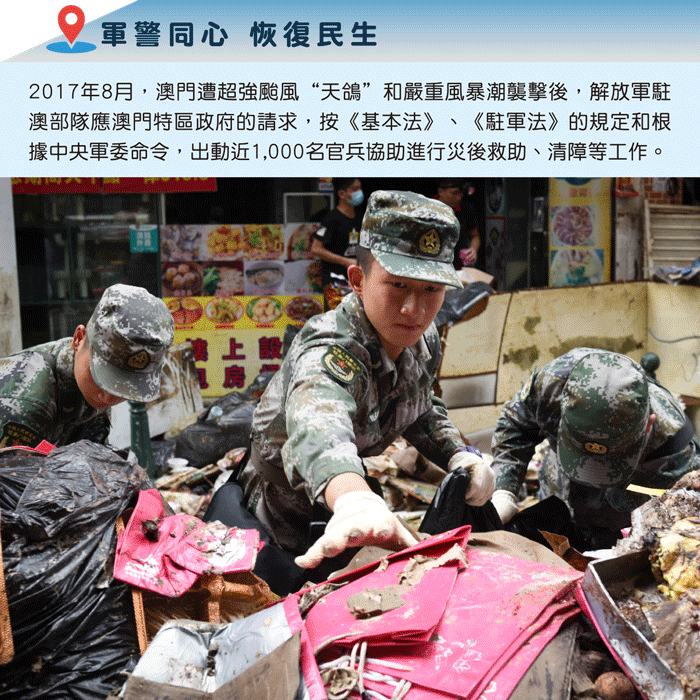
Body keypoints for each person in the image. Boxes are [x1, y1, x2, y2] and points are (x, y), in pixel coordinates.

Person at [234, 190, 494, 585]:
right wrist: (353, 498)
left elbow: (420, 407)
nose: (414, 309)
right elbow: (318, 422)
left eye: (431, 290)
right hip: (281, 510)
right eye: (398, 285)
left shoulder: (421, 340)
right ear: (358, 280)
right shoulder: (330, 349)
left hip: (355, 505)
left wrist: (459, 455)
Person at [490, 348, 700, 550]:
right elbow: (516, 425)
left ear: (648, 425)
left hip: (618, 524)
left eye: (610, 459)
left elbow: (682, 528)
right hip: (560, 492)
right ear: (561, 411)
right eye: (580, 450)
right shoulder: (551, 386)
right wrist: (504, 490)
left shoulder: (676, 451)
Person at [0, 284, 175, 449]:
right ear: (78, 338)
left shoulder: (89, 383)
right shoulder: (25, 401)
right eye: (104, 378)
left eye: (123, 387)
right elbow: (15, 470)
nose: (108, 398)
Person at [310, 177, 364, 290]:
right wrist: (345, 261)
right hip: (335, 283)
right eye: (355, 189)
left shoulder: (360, 217)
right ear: (341, 194)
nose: (359, 192)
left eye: (360, 188)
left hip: (356, 281)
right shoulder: (331, 219)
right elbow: (316, 249)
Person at [434, 179, 480, 269]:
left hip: (457, 265)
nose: (458, 198)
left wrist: (473, 249)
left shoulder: (466, 209)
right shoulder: (427, 207)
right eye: (454, 193)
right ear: (440, 191)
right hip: (433, 263)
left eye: (461, 193)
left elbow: (475, 236)